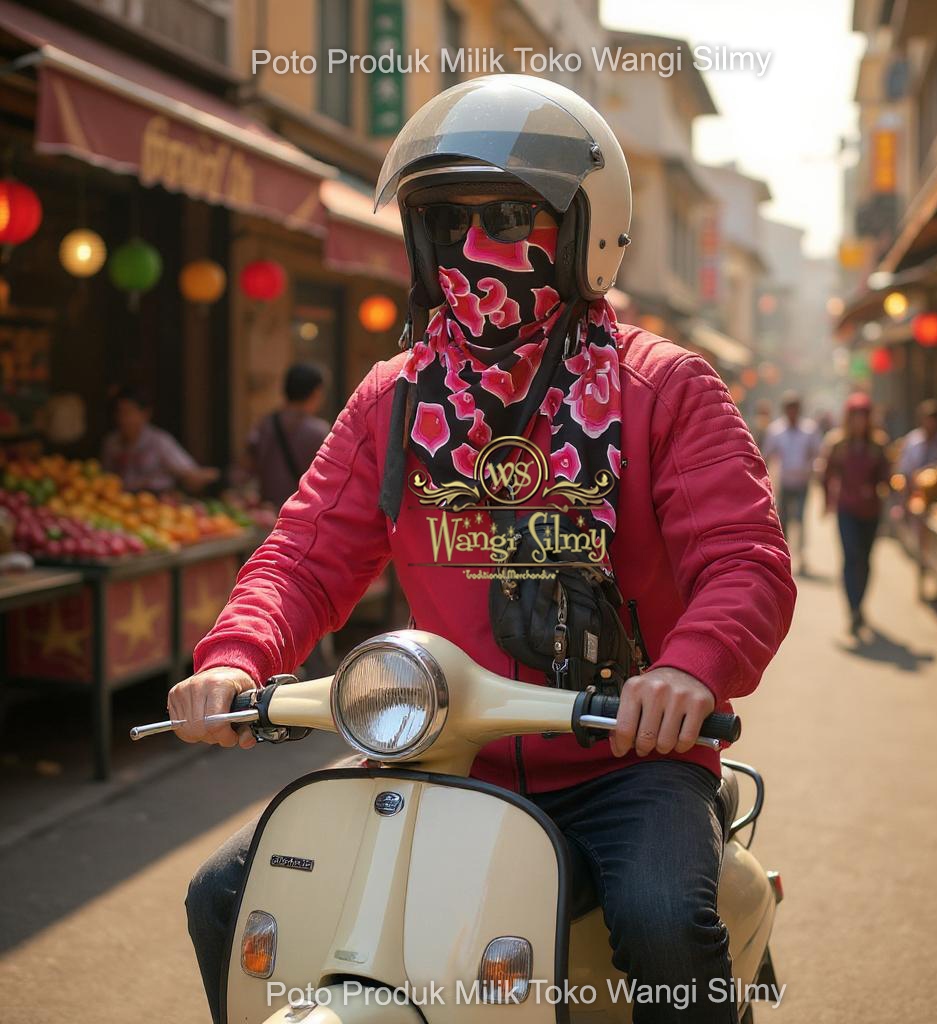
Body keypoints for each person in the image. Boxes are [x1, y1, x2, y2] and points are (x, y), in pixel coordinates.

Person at [171, 76, 796, 1024]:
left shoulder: (667, 388)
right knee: (224, 894)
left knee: (664, 919)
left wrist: (689, 674)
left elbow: (746, 561)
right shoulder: (395, 397)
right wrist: (233, 656)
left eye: (509, 216)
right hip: (441, 751)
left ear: (588, 231)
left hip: (623, 762)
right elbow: (303, 554)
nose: (476, 249)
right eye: (445, 220)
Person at [821, 392, 890, 634]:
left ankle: (860, 604)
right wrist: (826, 501)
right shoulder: (838, 444)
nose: (860, 421)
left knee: (866, 559)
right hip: (846, 508)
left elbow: (886, 477)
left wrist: (879, 489)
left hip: (870, 511)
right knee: (851, 557)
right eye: (855, 416)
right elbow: (827, 473)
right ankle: (852, 609)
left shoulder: (878, 445)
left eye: (864, 416)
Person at [102, 386, 219, 493]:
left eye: (129, 412)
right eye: (119, 412)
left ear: (145, 414)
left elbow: (188, 473)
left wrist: (218, 476)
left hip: (157, 502)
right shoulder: (111, 443)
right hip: (120, 503)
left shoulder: (159, 441)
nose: (123, 419)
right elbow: (105, 478)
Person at [246, 363, 331, 508]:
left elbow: (248, 466)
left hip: (267, 511)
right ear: (316, 392)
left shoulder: (264, 425)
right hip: (302, 512)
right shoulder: (319, 431)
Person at [761, 391, 821, 573]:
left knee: (801, 520)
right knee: (783, 520)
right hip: (784, 483)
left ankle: (802, 556)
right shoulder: (776, 431)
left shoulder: (809, 430)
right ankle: (783, 556)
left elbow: (817, 453)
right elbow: (767, 455)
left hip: (802, 482)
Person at [897, 399, 937, 484]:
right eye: (928, 420)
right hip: (915, 488)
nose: (931, 425)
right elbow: (904, 469)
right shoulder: (912, 440)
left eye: (933, 421)